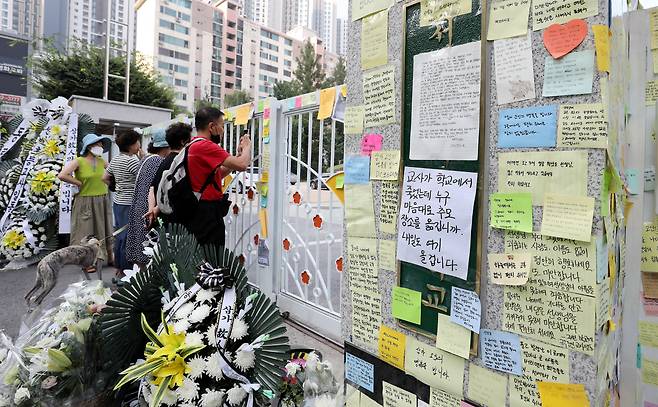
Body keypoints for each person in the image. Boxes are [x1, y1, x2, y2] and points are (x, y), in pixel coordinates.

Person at [182, 107, 251, 246]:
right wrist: (247, 147)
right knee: (211, 258)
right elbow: (243, 165)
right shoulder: (205, 145)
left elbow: (216, 175)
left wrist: (237, 157)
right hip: (206, 213)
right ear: (212, 127)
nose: (223, 131)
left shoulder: (192, 145)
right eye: (222, 125)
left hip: (197, 211)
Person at [57, 133, 113, 270]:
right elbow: (62, 175)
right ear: (89, 146)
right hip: (85, 201)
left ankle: (110, 258)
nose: (100, 146)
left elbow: (113, 171)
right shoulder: (79, 161)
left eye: (101, 144)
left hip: (102, 199)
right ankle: (86, 262)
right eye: (98, 144)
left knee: (105, 229)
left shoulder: (102, 161)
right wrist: (77, 182)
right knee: (85, 231)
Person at [125, 129, 170, 268]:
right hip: (148, 207)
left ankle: (139, 277)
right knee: (148, 246)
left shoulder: (146, 158)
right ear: (165, 147)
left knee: (139, 243)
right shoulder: (158, 161)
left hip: (138, 205)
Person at [104, 130, 143, 272]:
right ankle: (126, 269)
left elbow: (105, 178)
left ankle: (119, 266)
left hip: (118, 202)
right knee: (128, 236)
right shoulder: (132, 161)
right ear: (131, 145)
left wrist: (116, 187)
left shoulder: (115, 159)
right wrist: (143, 159)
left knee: (120, 235)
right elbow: (143, 178)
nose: (139, 144)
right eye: (138, 141)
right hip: (130, 203)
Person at [144, 122, 194, 227]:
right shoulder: (180, 163)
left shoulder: (164, 162)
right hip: (175, 224)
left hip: (163, 219)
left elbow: (152, 189)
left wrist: (153, 209)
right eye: (190, 140)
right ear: (183, 142)